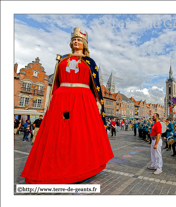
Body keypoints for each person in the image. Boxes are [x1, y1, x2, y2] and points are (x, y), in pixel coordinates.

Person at [20, 27, 114, 184]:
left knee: (81, 132)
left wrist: (98, 101)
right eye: (74, 40)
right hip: (62, 97)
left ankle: (82, 168)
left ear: (84, 44)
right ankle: (54, 167)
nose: (76, 42)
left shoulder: (90, 62)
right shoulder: (62, 60)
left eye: (79, 40)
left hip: (84, 98)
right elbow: (56, 81)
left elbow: (95, 85)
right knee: (59, 133)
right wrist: (51, 99)